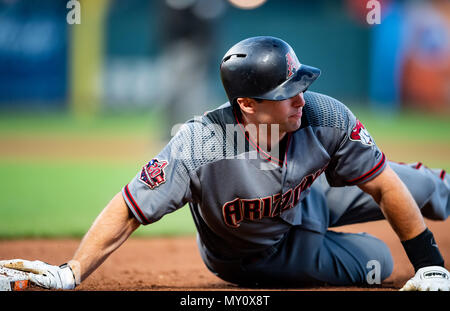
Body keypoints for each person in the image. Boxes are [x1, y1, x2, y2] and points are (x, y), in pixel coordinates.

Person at [1, 36, 449, 291]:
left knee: (423, 185)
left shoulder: (322, 115)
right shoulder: (202, 144)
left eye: (301, 84)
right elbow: (129, 206)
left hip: (308, 199)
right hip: (256, 255)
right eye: (284, 92)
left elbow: (384, 184)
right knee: (377, 262)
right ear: (248, 105)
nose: (299, 98)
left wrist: (430, 263)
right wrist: (70, 272)